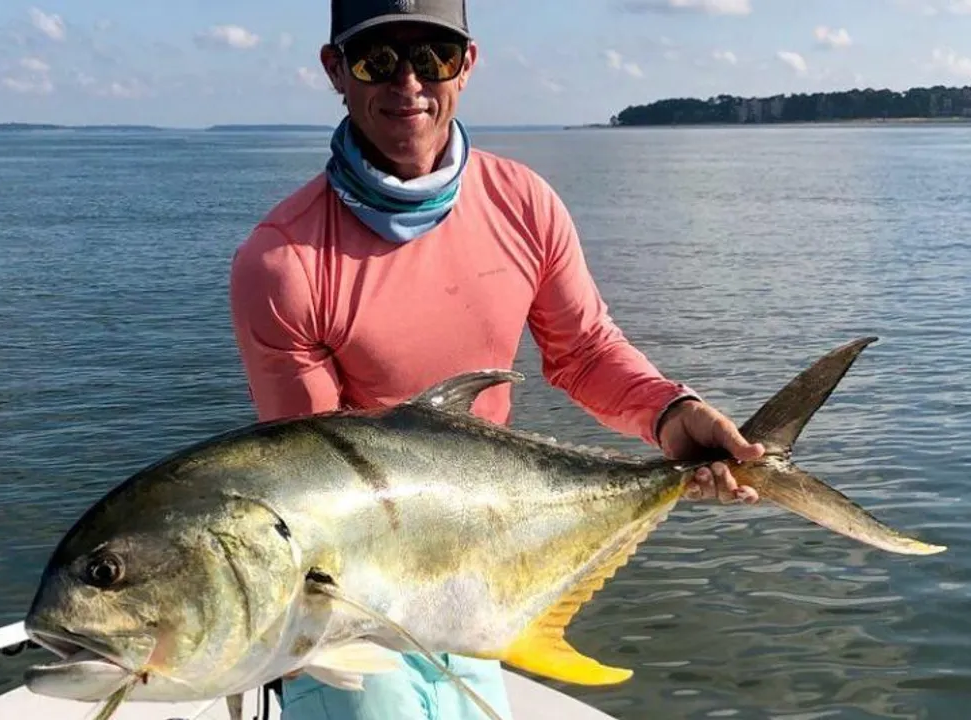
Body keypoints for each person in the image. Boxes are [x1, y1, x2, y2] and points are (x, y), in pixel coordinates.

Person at [228, 1, 765, 718]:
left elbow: (583, 350)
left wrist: (673, 418)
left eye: (435, 58)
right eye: (376, 59)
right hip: (358, 611)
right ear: (335, 71)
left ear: (468, 65)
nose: (409, 83)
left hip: (490, 564)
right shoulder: (283, 262)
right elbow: (321, 478)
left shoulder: (524, 204)